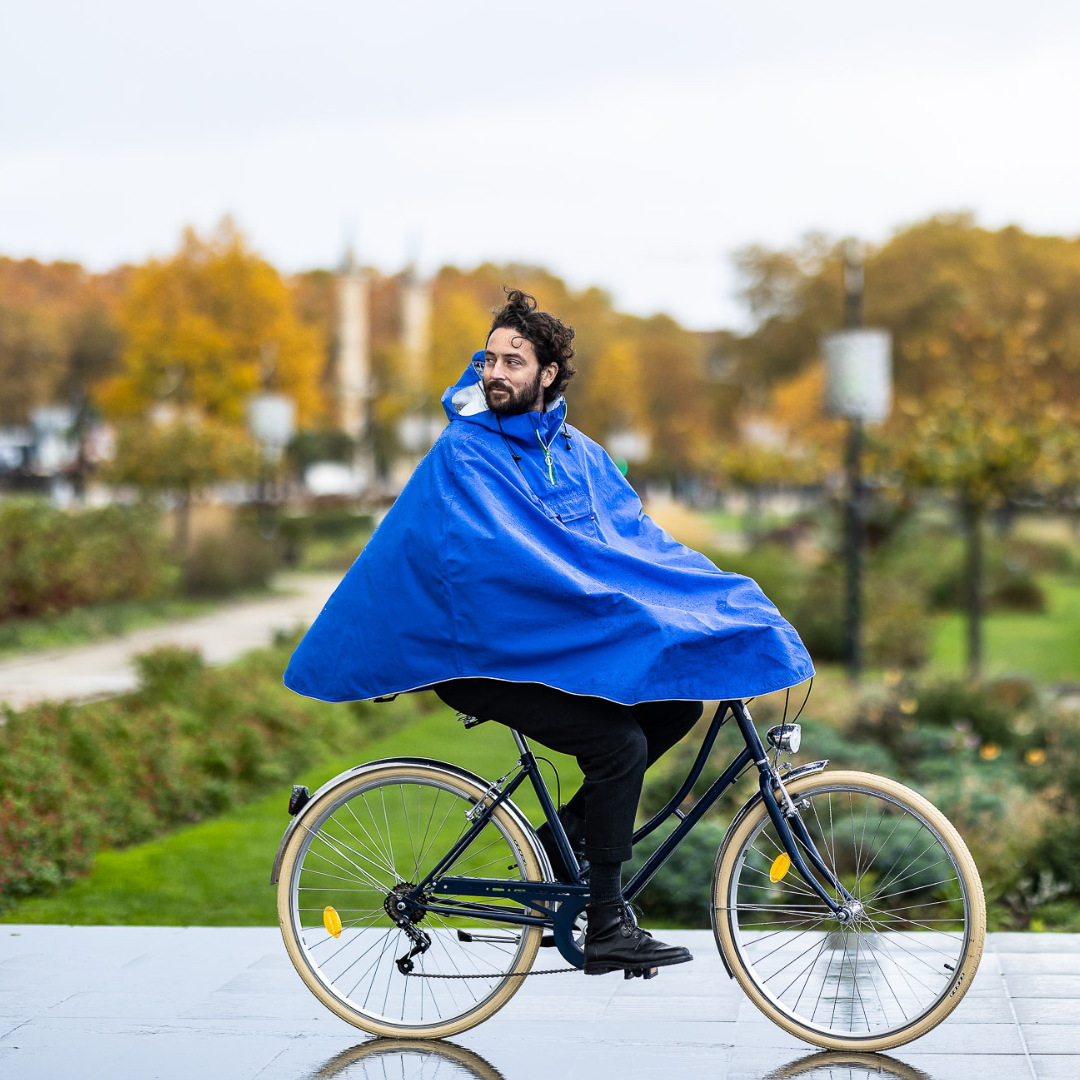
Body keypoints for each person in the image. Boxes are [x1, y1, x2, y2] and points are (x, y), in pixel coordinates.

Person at [284, 289, 814, 976]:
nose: (494, 372)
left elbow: (636, 545)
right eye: (489, 359)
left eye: (513, 360)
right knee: (619, 746)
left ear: (550, 375)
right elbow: (505, 561)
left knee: (678, 702)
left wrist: (719, 600)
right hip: (479, 654)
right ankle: (606, 924)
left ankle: (557, 841)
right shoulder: (465, 453)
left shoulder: (581, 454)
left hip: (542, 647)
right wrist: (605, 605)